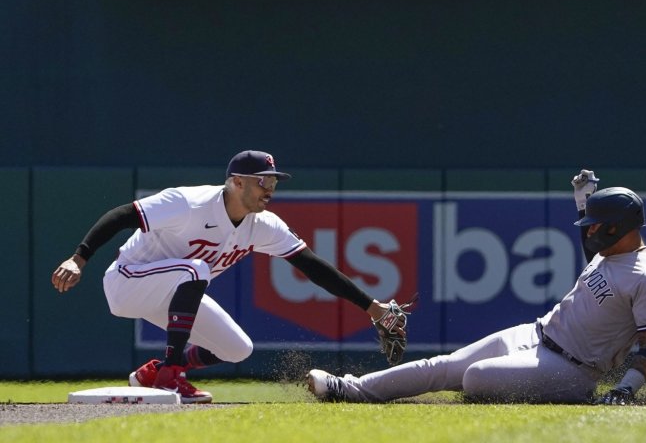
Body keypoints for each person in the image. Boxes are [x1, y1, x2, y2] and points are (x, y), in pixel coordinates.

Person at [51, 150, 405, 404]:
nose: (270, 187)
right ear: (237, 182)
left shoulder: (262, 225)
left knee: (237, 348)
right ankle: (171, 374)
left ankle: (153, 371)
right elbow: (122, 215)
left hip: (171, 293)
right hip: (128, 282)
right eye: (262, 180)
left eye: (274, 181)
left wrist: (371, 307)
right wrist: (79, 258)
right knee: (196, 268)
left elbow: (312, 266)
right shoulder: (189, 202)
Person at [307, 170, 646, 405]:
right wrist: (583, 202)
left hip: (573, 371)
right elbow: (591, 251)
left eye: (595, 224)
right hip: (536, 334)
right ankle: (348, 388)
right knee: (443, 366)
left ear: (616, 228)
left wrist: (625, 390)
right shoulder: (608, 253)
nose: (588, 230)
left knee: (476, 377)